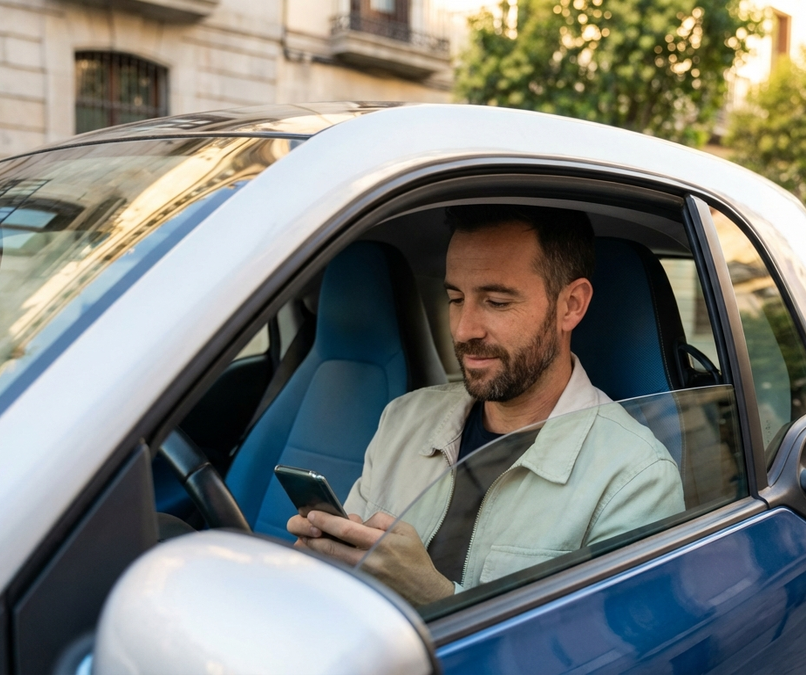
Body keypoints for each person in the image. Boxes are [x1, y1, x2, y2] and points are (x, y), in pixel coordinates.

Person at [287, 205, 684, 606]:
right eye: (455, 298)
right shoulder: (404, 418)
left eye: (496, 302)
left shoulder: (635, 478)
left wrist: (435, 596)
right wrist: (326, 562)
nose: (464, 330)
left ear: (571, 305)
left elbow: (599, 642)